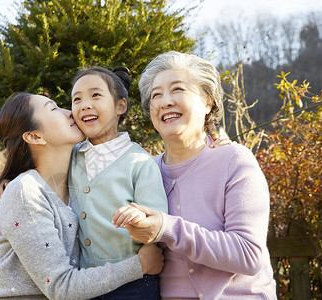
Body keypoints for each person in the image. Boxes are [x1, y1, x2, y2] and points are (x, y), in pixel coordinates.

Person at [112, 51, 277, 299]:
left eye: (177, 89)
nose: (165, 101)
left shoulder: (234, 160)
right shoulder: (145, 171)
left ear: (208, 101)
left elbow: (248, 255)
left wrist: (166, 228)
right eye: (156, 95)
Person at [0, 92, 164, 300]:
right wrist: (140, 265)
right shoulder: (26, 192)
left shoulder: (79, 181)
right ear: (35, 136)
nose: (70, 112)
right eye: (54, 109)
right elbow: (61, 287)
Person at [68, 66, 168, 299]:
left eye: (95, 95)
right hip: (84, 282)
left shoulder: (139, 162)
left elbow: (158, 222)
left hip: (134, 283)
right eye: (77, 99)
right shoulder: (70, 156)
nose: (85, 104)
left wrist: (139, 219)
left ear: (120, 106)